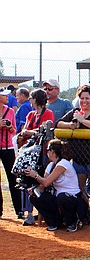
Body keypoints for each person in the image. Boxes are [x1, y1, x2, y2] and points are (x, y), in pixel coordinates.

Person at [56, 84, 90, 224]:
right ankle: (86, 213)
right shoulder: (75, 112)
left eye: (87, 98)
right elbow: (58, 123)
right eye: (81, 98)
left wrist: (82, 121)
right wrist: (70, 125)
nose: (84, 101)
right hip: (79, 160)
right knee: (80, 189)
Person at [25, 139, 87, 232]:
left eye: (48, 150)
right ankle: (54, 222)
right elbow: (44, 185)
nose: (47, 153)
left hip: (73, 198)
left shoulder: (63, 164)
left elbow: (46, 182)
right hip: (59, 197)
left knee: (62, 197)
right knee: (34, 197)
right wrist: (35, 190)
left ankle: (72, 222)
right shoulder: (51, 165)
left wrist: (35, 175)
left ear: (52, 151)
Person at [18, 89, 55, 225]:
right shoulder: (31, 114)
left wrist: (30, 132)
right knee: (26, 179)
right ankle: (28, 213)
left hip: (43, 153)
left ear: (37, 99)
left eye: (32, 98)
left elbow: (44, 131)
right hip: (30, 153)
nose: (30, 100)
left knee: (40, 180)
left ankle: (43, 213)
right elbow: (25, 131)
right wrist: (31, 132)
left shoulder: (48, 113)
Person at [0, 88, 19, 217]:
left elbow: (14, 130)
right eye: (4, 95)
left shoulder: (10, 111)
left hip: (8, 148)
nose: (7, 97)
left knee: (13, 178)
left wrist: (9, 126)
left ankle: (19, 210)